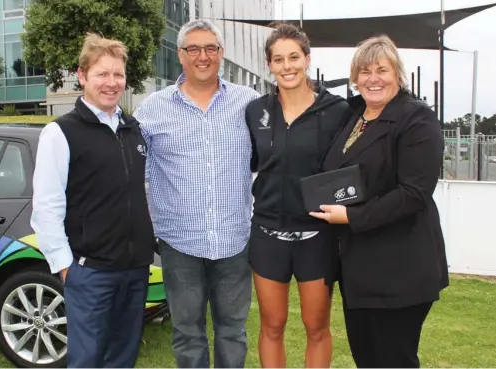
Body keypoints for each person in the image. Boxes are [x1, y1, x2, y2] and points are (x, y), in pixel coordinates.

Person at [309, 35, 449, 368]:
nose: (373, 79)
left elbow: (413, 194)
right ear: (355, 78)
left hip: (401, 269)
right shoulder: (354, 115)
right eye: (364, 71)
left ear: (398, 75)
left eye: (382, 70)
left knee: (393, 360)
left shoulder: (417, 120)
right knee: (367, 359)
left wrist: (351, 217)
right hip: (359, 270)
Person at [133, 20, 259, 368]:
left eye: (210, 49)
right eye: (194, 49)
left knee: (233, 330)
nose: (202, 56)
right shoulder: (152, 109)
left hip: (235, 240)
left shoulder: (248, 103)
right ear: (180, 55)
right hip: (179, 243)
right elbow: (130, 169)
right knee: (188, 332)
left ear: (221, 54)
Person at [30, 33, 155, 368]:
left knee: (123, 358)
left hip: (135, 268)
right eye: (102, 74)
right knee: (87, 360)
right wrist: (66, 267)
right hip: (89, 271)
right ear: (82, 76)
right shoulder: (60, 133)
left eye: (118, 74)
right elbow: (46, 206)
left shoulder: (133, 129)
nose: (111, 83)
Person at [244, 23, 351, 368]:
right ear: (269, 64)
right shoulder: (255, 111)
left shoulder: (337, 111)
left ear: (307, 59)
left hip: (317, 235)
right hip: (267, 233)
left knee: (316, 326)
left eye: (294, 57)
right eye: (278, 59)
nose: (287, 66)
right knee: (272, 325)